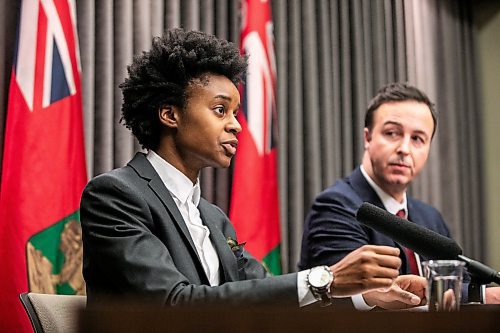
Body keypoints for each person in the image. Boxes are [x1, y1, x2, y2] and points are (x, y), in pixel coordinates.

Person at [80, 29, 426, 310]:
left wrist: (366, 295)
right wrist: (327, 278)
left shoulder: (214, 219)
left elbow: (267, 293)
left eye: (235, 113)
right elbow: (173, 304)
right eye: (220, 110)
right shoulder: (116, 195)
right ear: (170, 114)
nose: (237, 126)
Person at [299, 82, 500, 304]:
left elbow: (455, 278)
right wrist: (480, 296)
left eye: (417, 139)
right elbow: (358, 292)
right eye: (392, 133)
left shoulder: (430, 217)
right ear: (368, 138)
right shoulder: (336, 206)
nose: (404, 148)